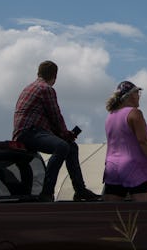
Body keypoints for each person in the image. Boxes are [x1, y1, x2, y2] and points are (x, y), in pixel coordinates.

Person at [12, 60, 100, 202]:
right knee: (62, 146)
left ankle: (80, 190)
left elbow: (47, 119)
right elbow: (55, 116)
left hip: (25, 133)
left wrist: (63, 135)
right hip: (30, 132)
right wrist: (66, 135)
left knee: (71, 147)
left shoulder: (28, 88)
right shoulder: (46, 89)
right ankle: (47, 191)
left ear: (38, 73)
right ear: (55, 76)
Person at [103, 80, 147, 202]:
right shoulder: (134, 114)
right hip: (134, 166)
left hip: (111, 167)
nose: (139, 97)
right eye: (138, 93)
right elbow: (143, 141)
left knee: (110, 213)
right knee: (144, 212)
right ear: (132, 95)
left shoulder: (110, 116)